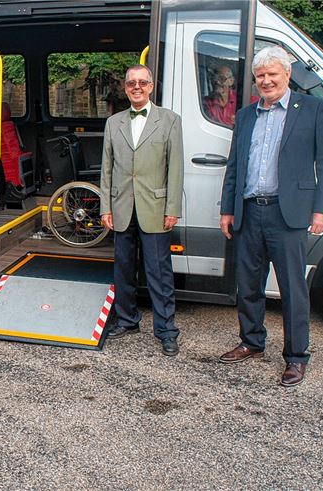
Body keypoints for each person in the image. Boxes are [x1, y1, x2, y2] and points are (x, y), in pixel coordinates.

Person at [217, 46, 323, 387]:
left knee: (292, 289)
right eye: (261, 76)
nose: (266, 80)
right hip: (248, 211)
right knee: (249, 286)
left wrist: (322, 209)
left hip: (289, 215)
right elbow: (234, 166)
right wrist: (227, 209)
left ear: (287, 75)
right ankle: (252, 341)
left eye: (273, 74)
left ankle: (296, 357)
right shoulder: (245, 116)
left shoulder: (313, 109)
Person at [99, 65, 184, 356]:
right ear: (125, 88)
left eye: (142, 82)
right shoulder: (113, 123)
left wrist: (172, 207)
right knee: (123, 268)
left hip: (156, 208)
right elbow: (106, 169)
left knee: (159, 272)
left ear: (151, 87)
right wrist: (105, 207)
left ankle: (166, 330)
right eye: (131, 83)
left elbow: (176, 168)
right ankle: (127, 319)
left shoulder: (170, 120)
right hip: (122, 207)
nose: (136, 87)